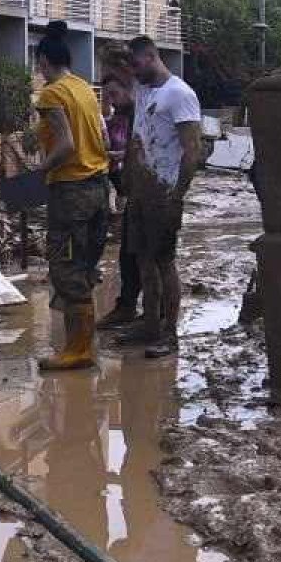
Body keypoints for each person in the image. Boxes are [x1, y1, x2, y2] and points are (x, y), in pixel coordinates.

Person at [32, 23, 111, 371]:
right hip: (98, 186)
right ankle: (80, 344)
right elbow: (95, 138)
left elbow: (66, 145)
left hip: (71, 190)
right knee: (84, 265)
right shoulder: (83, 88)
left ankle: (78, 350)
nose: (37, 71)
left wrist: (40, 171)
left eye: (38, 65)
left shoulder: (51, 93)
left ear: (44, 61)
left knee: (65, 268)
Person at [121, 36, 202, 358]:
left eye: (136, 64)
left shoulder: (180, 94)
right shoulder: (143, 90)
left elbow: (192, 150)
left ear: (152, 56)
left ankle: (170, 333)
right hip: (141, 191)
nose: (133, 71)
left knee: (164, 261)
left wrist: (177, 196)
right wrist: (128, 179)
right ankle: (150, 324)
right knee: (143, 259)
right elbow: (138, 137)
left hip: (164, 193)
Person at [97, 71, 144, 331]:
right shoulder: (120, 117)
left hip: (149, 192)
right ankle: (126, 307)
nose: (111, 101)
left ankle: (155, 318)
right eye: (107, 96)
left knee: (149, 258)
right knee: (128, 253)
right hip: (130, 190)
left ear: (130, 89)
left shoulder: (143, 112)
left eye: (114, 95)